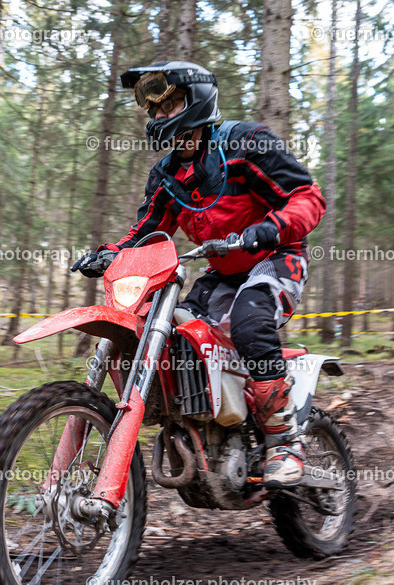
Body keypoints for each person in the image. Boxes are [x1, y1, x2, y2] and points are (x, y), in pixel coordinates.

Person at [71, 61, 326, 488]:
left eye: (168, 104)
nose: (157, 115)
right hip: (221, 270)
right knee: (168, 332)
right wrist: (109, 254)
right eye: (151, 109)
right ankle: (207, 424)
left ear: (197, 101)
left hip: (276, 257)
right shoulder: (167, 174)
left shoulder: (248, 143)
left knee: (250, 321)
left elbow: (308, 197)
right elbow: (146, 233)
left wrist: (267, 229)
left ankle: (285, 442)